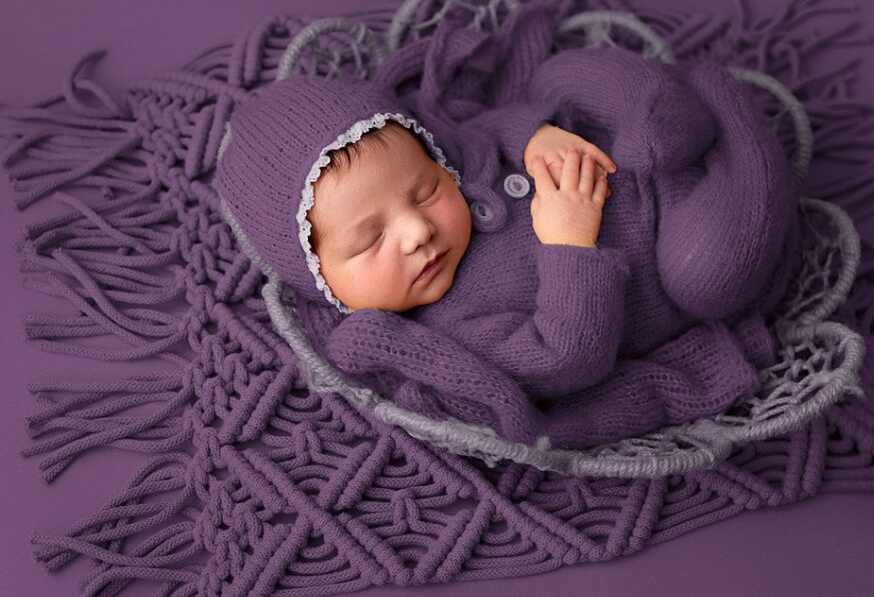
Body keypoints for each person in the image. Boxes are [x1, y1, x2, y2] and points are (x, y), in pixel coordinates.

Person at [215, 43, 798, 445]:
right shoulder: (453, 330)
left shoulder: (463, 159)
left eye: (423, 192)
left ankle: (663, 111)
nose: (418, 231)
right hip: (679, 238)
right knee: (712, 277)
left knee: (553, 80)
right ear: (323, 283)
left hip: (622, 143)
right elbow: (569, 356)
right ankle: (726, 104)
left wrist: (537, 135)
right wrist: (569, 244)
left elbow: (488, 130)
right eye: (370, 240)